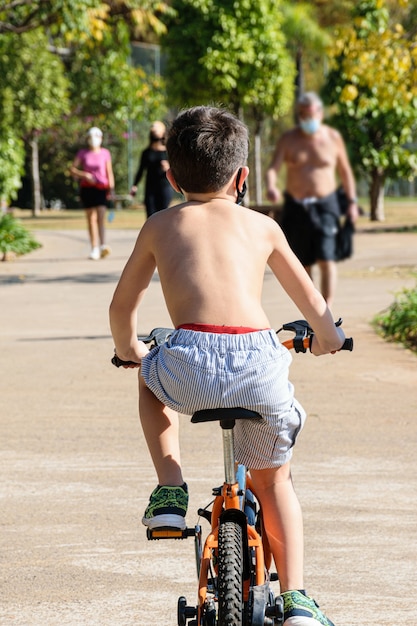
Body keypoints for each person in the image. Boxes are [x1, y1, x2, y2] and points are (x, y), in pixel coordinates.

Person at [110, 105, 347, 626]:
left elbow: (121, 309)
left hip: (189, 367)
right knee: (275, 482)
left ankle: (170, 485)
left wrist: (131, 350)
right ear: (242, 177)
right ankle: (298, 600)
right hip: (258, 365)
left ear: (170, 176)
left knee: (151, 375)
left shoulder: (159, 224)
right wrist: (329, 338)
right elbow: (315, 307)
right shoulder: (262, 226)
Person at [265, 92, 359, 308]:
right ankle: (313, 308)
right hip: (297, 207)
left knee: (327, 257)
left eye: (311, 114)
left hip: (326, 204)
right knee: (303, 262)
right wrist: (271, 186)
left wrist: (352, 202)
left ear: (320, 113)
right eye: (303, 115)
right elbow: (274, 169)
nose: (308, 119)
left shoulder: (333, 138)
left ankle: (328, 307)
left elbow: (345, 172)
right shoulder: (289, 139)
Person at [70, 127, 114, 260]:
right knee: (91, 219)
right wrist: (84, 175)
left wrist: (111, 189)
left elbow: (109, 172)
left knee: (101, 216)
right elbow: (72, 169)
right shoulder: (83, 153)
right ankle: (94, 247)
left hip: (101, 188)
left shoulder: (105, 153)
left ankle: (102, 245)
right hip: (87, 188)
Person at [130, 121, 173, 218]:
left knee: (164, 215)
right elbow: (141, 170)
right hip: (150, 188)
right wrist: (135, 185)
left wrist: (168, 167)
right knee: (151, 216)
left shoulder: (169, 152)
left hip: (165, 187)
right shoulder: (147, 152)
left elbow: (177, 170)